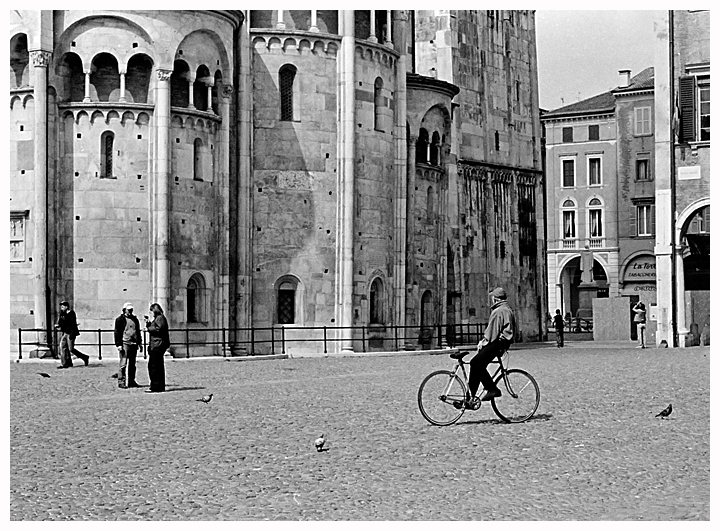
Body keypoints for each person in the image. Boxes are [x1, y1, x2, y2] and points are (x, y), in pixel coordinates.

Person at [465, 287, 516, 408]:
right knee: (475, 363)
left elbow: (493, 331)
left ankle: (492, 389)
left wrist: (483, 342)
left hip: (498, 343)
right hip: (502, 343)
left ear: (496, 299)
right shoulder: (507, 309)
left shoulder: (498, 311)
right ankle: (470, 398)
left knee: (476, 363)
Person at [114, 302, 142, 388]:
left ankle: (131, 381)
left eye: (131, 310)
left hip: (133, 344)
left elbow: (138, 331)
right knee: (123, 363)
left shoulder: (135, 319)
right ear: (124, 310)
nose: (130, 311)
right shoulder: (119, 320)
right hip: (124, 343)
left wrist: (140, 343)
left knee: (132, 364)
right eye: (128, 310)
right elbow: (117, 333)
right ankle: (121, 381)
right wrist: (118, 345)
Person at [55, 301, 89, 368]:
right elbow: (61, 322)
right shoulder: (62, 314)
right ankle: (65, 363)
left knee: (71, 349)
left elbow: (72, 324)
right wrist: (58, 325)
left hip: (71, 333)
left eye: (63, 306)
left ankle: (84, 357)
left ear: (66, 307)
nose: (61, 308)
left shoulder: (71, 313)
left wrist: (71, 334)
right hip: (65, 333)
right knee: (63, 347)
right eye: (61, 307)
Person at [145, 303, 170, 393]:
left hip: (157, 345)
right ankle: (159, 386)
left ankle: (155, 386)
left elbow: (158, 329)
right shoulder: (158, 318)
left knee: (154, 366)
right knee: (157, 366)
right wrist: (149, 324)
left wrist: (148, 328)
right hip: (157, 344)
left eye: (151, 311)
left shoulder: (160, 318)